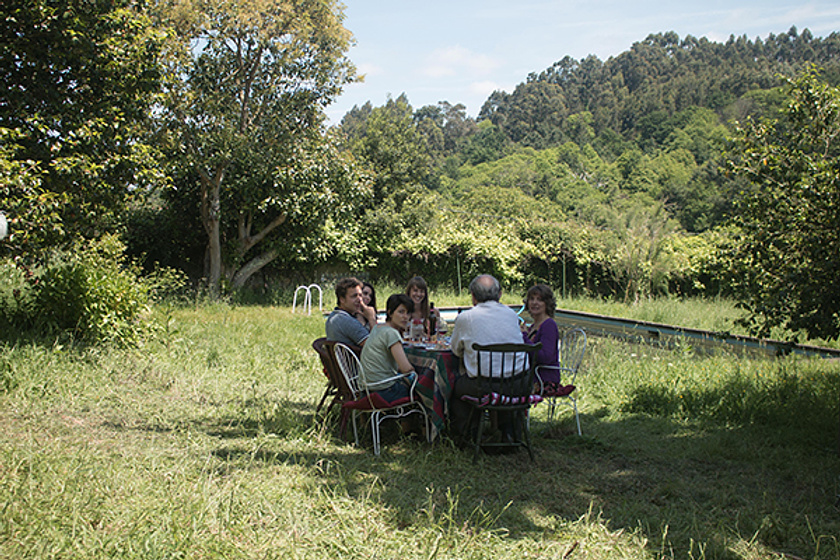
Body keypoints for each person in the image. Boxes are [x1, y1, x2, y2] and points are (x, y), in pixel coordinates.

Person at [448, 274, 525, 440]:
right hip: (518, 385)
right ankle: (510, 431)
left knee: (456, 387)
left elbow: (455, 350)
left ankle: (470, 432)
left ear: (473, 297)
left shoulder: (466, 318)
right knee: (501, 379)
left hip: (484, 388)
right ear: (499, 295)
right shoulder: (511, 315)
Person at [360, 294, 417, 403]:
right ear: (390, 313)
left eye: (408, 313)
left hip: (366, 389)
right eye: (401, 312)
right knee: (422, 387)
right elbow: (406, 369)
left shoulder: (378, 327)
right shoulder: (391, 333)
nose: (406, 317)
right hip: (384, 391)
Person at [521, 284, 561, 391]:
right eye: (532, 299)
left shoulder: (549, 325)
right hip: (530, 375)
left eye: (539, 300)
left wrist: (524, 337)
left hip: (544, 379)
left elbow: (544, 357)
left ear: (547, 304)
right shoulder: (533, 326)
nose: (534, 303)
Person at [325, 277, 376, 347]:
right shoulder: (346, 321)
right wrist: (371, 318)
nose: (360, 300)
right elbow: (375, 347)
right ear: (342, 299)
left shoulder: (333, 316)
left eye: (360, 295)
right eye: (354, 296)